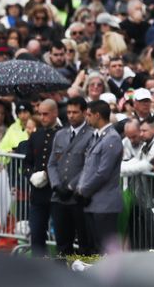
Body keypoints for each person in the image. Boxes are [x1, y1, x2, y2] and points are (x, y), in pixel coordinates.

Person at [48, 97, 94, 256]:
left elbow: (89, 166)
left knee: (84, 243)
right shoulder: (60, 135)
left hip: (78, 196)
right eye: (68, 112)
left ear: (84, 112)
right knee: (62, 243)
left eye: (75, 112)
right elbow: (52, 163)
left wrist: (70, 186)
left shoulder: (91, 135)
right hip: (58, 197)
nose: (71, 116)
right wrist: (56, 185)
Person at [76, 100, 122, 254]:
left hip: (105, 203)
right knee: (95, 248)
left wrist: (84, 190)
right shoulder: (98, 137)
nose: (86, 118)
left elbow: (103, 173)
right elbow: (89, 167)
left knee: (105, 249)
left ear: (97, 115)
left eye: (89, 115)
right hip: (94, 203)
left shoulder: (111, 139)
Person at [23, 99, 60, 255]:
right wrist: (32, 175)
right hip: (38, 194)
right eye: (40, 114)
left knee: (62, 236)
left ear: (55, 113)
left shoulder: (62, 135)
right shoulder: (36, 136)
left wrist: (48, 176)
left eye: (46, 114)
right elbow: (26, 163)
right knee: (37, 235)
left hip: (57, 193)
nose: (42, 117)